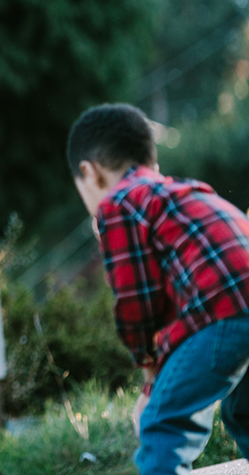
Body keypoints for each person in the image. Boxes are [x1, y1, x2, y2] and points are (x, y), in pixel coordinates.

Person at [66, 103, 249, 473]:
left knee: (163, 425)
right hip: (236, 301)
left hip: (228, 314)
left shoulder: (119, 204)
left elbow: (138, 305)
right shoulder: (183, 192)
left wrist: (150, 382)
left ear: (90, 173)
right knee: (242, 411)